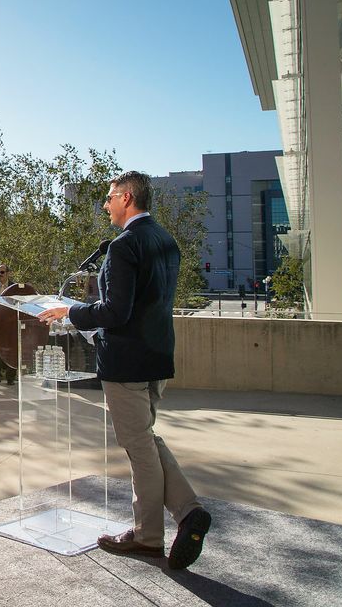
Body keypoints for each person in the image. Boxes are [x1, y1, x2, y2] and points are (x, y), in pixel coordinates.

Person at [37, 171, 211, 570]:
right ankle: (188, 511)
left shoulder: (124, 246)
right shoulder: (165, 241)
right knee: (144, 438)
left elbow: (116, 311)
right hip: (156, 358)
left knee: (138, 449)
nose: (105, 204)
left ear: (127, 197)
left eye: (110, 197)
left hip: (127, 363)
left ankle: (149, 536)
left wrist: (70, 311)